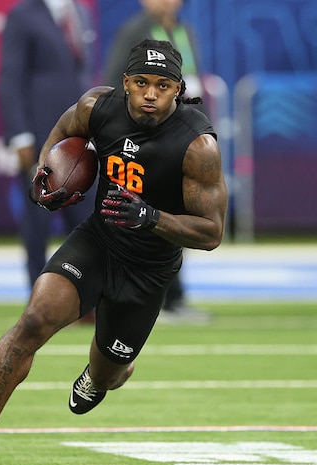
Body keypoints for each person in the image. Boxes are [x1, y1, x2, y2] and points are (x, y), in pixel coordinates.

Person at [0, 39, 227, 465]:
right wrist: (49, 173)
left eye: (161, 85)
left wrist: (151, 216)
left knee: (110, 370)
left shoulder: (197, 146)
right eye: (140, 83)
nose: (150, 94)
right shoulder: (96, 106)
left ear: (178, 89)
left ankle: (99, 378)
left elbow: (211, 232)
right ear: (125, 83)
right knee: (35, 319)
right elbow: (61, 133)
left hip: (148, 269)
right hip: (98, 241)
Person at [103, 0, 209, 323]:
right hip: (148, 141)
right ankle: (151, 298)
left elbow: (191, 85)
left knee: (177, 218)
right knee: (149, 219)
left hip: (184, 138)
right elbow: (113, 85)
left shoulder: (184, 32)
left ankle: (172, 298)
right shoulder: (134, 32)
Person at [0, 0, 98, 291]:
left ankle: (82, 294)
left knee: (86, 219)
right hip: (41, 135)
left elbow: (82, 74)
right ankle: (39, 295)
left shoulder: (80, 13)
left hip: (80, 136)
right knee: (38, 222)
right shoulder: (23, 15)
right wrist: (20, 134)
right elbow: (10, 77)